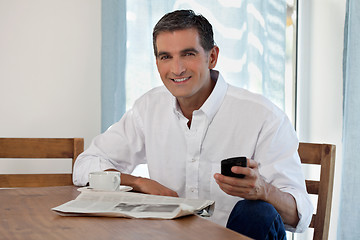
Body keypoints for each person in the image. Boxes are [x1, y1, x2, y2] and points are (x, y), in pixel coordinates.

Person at [73, 9, 313, 239]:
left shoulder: (264, 116)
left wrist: (263, 190)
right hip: (169, 236)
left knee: (257, 212)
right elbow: (85, 166)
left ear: (212, 57)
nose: (177, 69)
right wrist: (138, 182)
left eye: (188, 54)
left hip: (242, 233)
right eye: (166, 57)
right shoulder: (148, 108)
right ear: (157, 63)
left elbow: (298, 217)